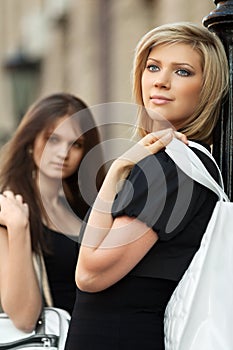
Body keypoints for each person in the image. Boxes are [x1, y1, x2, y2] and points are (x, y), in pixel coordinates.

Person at [64, 22, 229, 350]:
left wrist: (117, 173)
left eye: (182, 72)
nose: (161, 81)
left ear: (207, 87)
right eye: (153, 67)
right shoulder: (187, 164)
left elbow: (90, 275)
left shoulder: (168, 168)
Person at [0, 93, 105, 333]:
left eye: (76, 144)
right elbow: (25, 318)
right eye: (53, 139)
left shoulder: (87, 209)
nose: (63, 152)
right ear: (30, 141)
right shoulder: (7, 210)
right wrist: (18, 227)